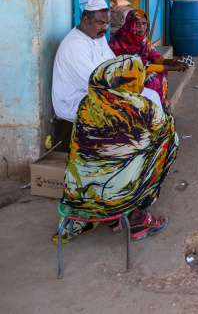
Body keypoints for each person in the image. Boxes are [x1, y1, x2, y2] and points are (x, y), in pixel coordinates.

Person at [53, 54, 178, 243]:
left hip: (79, 196)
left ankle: (113, 220)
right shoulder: (143, 107)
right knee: (169, 141)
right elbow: (166, 129)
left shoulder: (86, 104)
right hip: (119, 197)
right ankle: (137, 215)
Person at [52, 0, 161, 127]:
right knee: (135, 106)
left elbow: (114, 65)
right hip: (77, 100)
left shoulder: (98, 37)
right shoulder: (74, 45)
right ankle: (142, 142)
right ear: (86, 20)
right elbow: (96, 83)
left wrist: (132, 80)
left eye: (107, 23)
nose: (105, 28)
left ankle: (156, 137)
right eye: (101, 23)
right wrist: (129, 88)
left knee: (151, 95)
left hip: (101, 91)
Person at [109, 9, 192, 112]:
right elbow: (140, 66)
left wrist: (169, 62)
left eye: (144, 23)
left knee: (159, 74)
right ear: (130, 24)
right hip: (120, 75)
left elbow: (154, 56)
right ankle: (151, 113)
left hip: (137, 70)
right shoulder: (123, 40)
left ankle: (162, 109)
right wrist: (171, 67)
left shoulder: (142, 39)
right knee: (153, 80)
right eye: (137, 24)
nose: (141, 27)